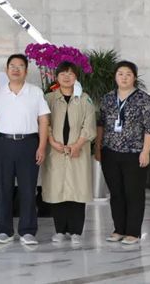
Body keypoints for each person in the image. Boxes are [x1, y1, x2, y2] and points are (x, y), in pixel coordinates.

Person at [0, 53, 49, 246]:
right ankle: (4, 230)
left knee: (28, 189)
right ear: (6, 70)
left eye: (20, 66)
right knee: (3, 189)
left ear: (26, 71)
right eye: (12, 66)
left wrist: (42, 146)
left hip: (28, 144)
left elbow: (43, 120)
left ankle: (27, 231)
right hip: (2, 144)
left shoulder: (35, 92)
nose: (15, 69)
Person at [95, 60, 150, 245]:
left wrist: (145, 151)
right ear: (115, 77)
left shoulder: (143, 99)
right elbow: (101, 124)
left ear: (134, 77)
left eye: (128, 74)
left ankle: (133, 232)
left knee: (133, 193)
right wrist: (98, 147)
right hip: (110, 152)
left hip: (135, 152)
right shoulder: (107, 98)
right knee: (116, 193)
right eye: (120, 74)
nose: (124, 77)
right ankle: (119, 229)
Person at [41, 61, 96, 245]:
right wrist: (51, 141)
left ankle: (76, 232)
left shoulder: (84, 99)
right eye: (63, 73)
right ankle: (60, 231)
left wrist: (78, 145)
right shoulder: (48, 98)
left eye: (70, 73)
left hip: (77, 151)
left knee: (77, 191)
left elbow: (89, 124)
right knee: (58, 190)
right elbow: (44, 123)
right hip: (55, 151)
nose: (66, 77)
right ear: (56, 77)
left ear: (76, 77)